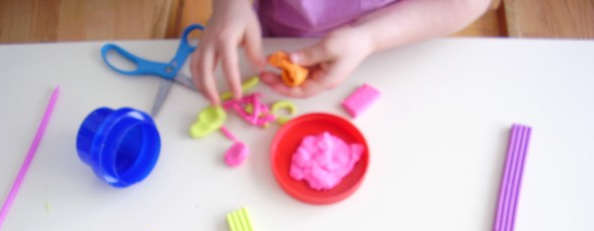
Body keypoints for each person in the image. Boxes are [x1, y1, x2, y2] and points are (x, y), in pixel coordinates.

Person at [190, 0, 492, 105]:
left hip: (393, 44)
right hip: (269, 33)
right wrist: (230, 4)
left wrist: (369, 38)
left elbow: (463, 3)